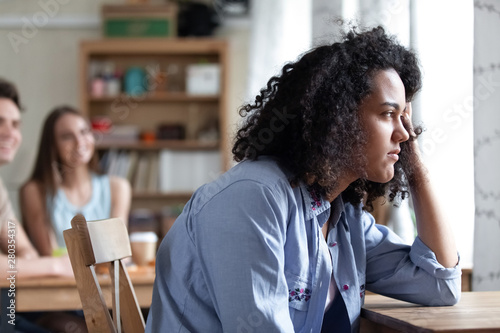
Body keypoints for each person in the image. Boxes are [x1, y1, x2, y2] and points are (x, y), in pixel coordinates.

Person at [145, 26, 461, 333]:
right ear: (339, 118)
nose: (405, 133)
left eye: (404, 118)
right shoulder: (254, 197)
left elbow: (440, 285)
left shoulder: (340, 214)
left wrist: (414, 167)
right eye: (388, 114)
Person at [0, 78, 87, 332]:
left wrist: (25, 261)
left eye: (15, 124)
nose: (10, 133)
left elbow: (22, 248)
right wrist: (58, 266)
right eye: (0, 122)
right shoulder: (34, 189)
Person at [20, 106, 131, 257]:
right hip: (59, 279)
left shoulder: (118, 188)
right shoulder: (35, 191)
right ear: (52, 146)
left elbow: (117, 251)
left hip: (106, 280)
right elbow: (49, 253)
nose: (79, 142)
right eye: (67, 136)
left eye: (84, 132)